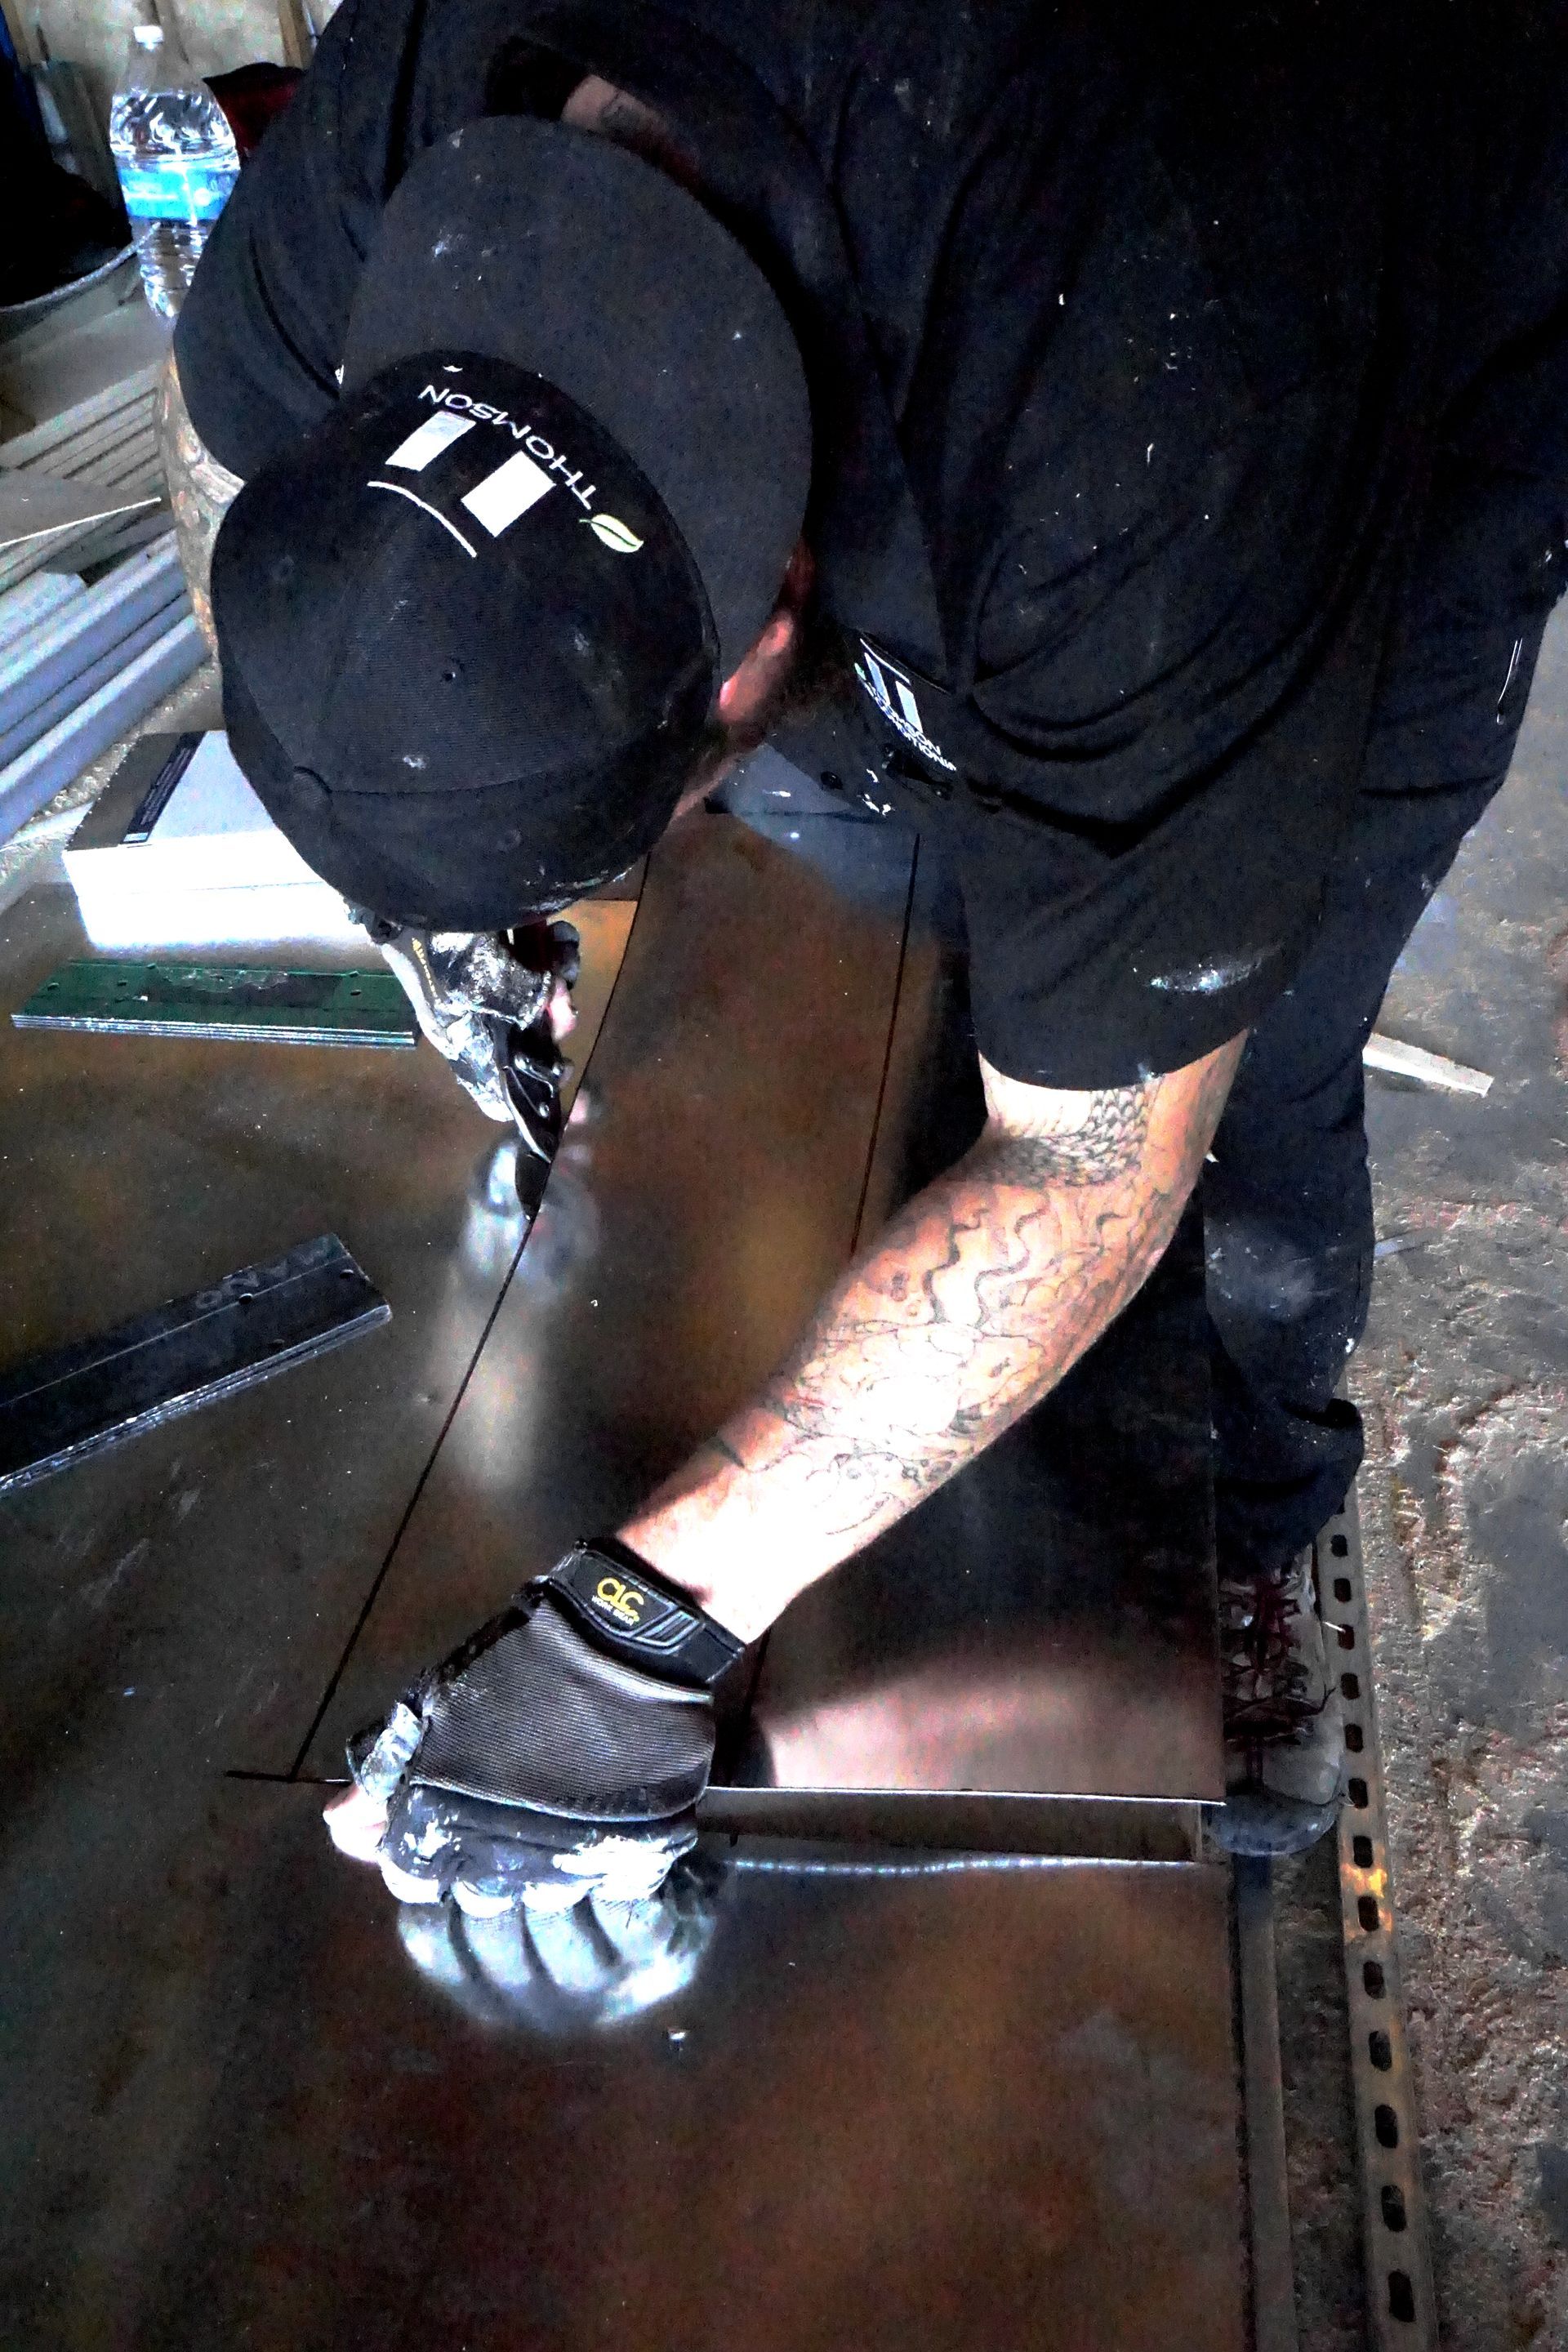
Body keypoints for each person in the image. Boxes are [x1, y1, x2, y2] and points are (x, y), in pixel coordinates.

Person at [162, 0, 1568, 1890]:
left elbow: (1095, 1166)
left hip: (1377, 323)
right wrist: (424, 878)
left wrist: (625, 1644)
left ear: (765, 629)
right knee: (891, 875)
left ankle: (1231, 1540)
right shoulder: (383, 142)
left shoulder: (1145, 437)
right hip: (981, 316)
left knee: (1247, 1050)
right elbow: (230, 457)